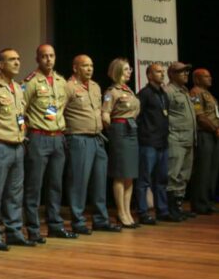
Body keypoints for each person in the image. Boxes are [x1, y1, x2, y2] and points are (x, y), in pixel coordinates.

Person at [63, 55, 122, 234]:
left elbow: (99, 109)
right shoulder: (68, 87)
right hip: (79, 138)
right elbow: (58, 110)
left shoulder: (96, 87)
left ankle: (100, 219)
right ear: (75, 68)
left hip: (97, 138)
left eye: (91, 66)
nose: (89, 69)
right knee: (79, 182)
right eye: (85, 66)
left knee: (99, 181)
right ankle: (78, 221)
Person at [0, 49, 31, 249]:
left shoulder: (18, 88)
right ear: (0, 65)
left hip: (18, 146)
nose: (17, 63)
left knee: (15, 194)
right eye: (12, 60)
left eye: (18, 59)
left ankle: (14, 231)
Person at [22, 44, 73, 241]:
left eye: (51, 56)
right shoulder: (30, 82)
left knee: (55, 185)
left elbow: (62, 106)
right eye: (44, 56)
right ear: (37, 59)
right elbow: (21, 109)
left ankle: (55, 225)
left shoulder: (61, 82)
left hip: (58, 138)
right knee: (34, 187)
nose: (48, 60)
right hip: (38, 137)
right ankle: (33, 230)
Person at [134, 63, 176, 224]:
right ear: (149, 75)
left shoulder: (163, 94)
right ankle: (143, 212)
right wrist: (144, 134)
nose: (162, 74)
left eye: (162, 71)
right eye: (158, 72)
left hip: (163, 143)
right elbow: (136, 116)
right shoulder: (144, 94)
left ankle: (162, 210)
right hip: (148, 143)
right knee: (144, 180)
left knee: (162, 180)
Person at [101, 58, 141, 228]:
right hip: (120, 131)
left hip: (132, 131)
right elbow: (105, 114)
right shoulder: (112, 92)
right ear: (117, 71)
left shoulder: (129, 91)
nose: (129, 71)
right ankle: (120, 212)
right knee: (120, 174)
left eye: (130, 69)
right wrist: (114, 132)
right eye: (126, 69)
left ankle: (127, 212)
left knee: (129, 175)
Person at [189, 68, 219, 214]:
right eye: (205, 76)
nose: (210, 78)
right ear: (197, 79)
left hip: (214, 135)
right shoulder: (195, 93)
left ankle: (209, 201)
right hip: (204, 134)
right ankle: (200, 204)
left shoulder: (209, 94)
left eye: (210, 76)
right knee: (203, 170)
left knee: (212, 170)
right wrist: (215, 129)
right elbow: (200, 116)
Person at [165, 62, 197, 220]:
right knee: (173, 174)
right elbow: (162, 115)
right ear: (171, 74)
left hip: (189, 139)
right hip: (175, 139)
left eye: (186, 71)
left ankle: (178, 206)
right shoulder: (168, 91)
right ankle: (169, 209)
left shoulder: (185, 91)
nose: (185, 74)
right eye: (181, 72)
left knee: (184, 175)